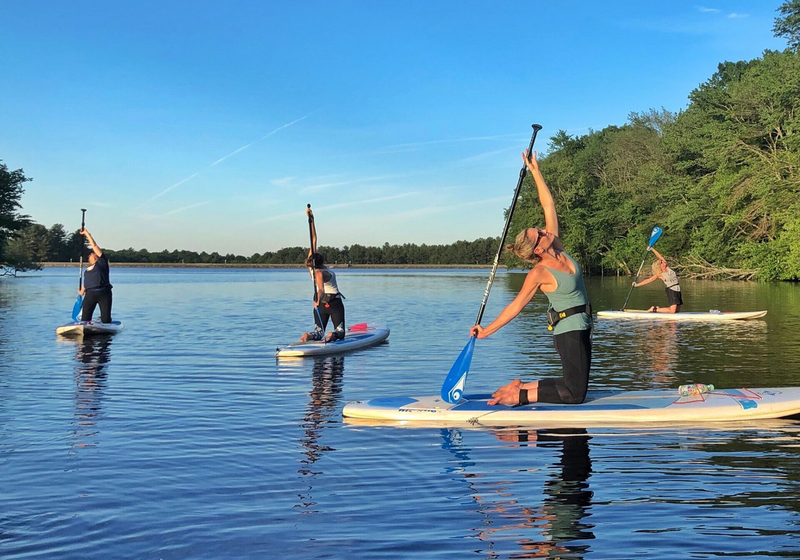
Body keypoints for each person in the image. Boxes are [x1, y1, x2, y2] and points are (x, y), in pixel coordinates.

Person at [473, 149, 592, 406]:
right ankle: (520, 396)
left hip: (582, 326)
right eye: (539, 232)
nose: (543, 229)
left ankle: (521, 386)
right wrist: (486, 332)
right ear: (538, 249)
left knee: (573, 386)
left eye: (539, 229)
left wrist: (535, 172)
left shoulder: (557, 246)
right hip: (568, 332)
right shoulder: (539, 273)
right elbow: (515, 306)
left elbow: (548, 205)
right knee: (575, 394)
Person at [299, 207, 346, 343]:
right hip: (333, 302)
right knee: (341, 333)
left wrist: (311, 219)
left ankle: (308, 336)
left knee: (319, 333)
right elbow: (321, 289)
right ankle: (332, 335)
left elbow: (313, 239)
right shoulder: (321, 272)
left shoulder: (311, 269)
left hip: (320, 304)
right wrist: (317, 300)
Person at [630, 247, 682, 313]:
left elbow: (659, 256)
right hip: (671, 290)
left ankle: (658, 309)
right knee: (672, 311)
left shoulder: (668, 268)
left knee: (677, 310)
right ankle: (654, 310)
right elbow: (648, 280)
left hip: (677, 289)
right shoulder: (660, 274)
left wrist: (652, 249)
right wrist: (636, 285)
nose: (663, 261)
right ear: (660, 265)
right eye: (662, 262)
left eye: (663, 261)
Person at [78, 228, 113, 323]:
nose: (92, 254)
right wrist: (82, 291)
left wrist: (86, 233)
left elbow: (94, 245)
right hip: (90, 294)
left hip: (104, 293)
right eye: (91, 254)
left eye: (94, 253)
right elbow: (87, 282)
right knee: (85, 319)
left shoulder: (102, 263)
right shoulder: (87, 271)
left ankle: (106, 327)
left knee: (105, 319)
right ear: (89, 260)